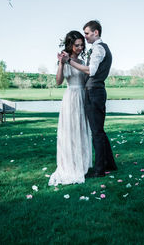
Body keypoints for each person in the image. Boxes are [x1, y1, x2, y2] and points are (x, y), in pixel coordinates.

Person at [60, 20, 117, 178]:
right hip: (96, 91)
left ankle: (99, 170)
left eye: (87, 33)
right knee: (99, 131)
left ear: (96, 32)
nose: (85, 37)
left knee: (96, 133)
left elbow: (91, 71)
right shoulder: (101, 48)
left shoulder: (98, 48)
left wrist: (69, 61)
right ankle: (109, 164)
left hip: (94, 92)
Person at [48, 31, 92, 186]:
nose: (80, 47)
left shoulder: (82, 60)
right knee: (70, 130)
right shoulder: (64, 60)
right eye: (77, 45)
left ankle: (82, 164)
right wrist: (61, 63)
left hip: (82, 96)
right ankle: (69, 165)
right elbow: (58, 82)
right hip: (70, 97)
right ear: (71, 45)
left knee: (80, 129)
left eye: (82, 45)